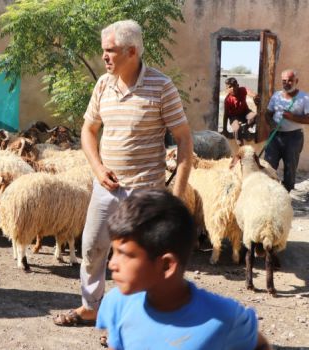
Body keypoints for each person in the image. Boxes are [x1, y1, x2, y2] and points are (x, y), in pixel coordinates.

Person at [53, 19, 193, 326]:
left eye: (110, 51)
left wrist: (177, 196)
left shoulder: (161, 87)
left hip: (144, 192)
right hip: (106, 188)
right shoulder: (103, 84)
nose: (104, 57)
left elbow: (183, 138)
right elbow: (89, 130)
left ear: (131, 51)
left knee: (136, 259)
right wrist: (98, 168)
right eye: (103, 50)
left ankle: (129, 322)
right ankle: (91, 307)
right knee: (92, 248)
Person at [96, 189, 271, 350]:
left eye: (124, 254)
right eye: (114, 252)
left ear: (166, 265)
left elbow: (260, 346)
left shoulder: (224, 317)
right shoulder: (116, 303)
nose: (112, 264)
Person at [264, 69, 309, 192]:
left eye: (290, 80)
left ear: (296, 81)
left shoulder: (304, 97)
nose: (287, 83)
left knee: (290, 168)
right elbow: (268, 114)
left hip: (293, 137)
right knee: (269, 165)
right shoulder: (276, 96)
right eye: (284, 80)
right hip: (275, 136)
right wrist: (271, 123)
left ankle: (286, 193)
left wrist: (292, 117)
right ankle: (269, 192)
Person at [223, 77, 259, 146]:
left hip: (245, 112)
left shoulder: (243, 90)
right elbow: (226, 115)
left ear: (238, 85)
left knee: (255, 116)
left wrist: (255, 97)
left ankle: (245, 128)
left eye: (234, 86)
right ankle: (240, 144)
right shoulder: (228, 100)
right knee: (236, 129)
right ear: (227, 89)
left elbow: (252, 94)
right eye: (230, 87)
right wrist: (225, 129)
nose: (233, 88)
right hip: (234, 117)